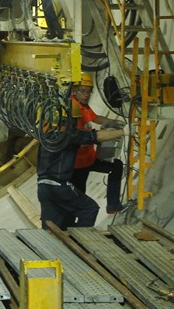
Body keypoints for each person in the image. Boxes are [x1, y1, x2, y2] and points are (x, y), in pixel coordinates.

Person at [36, 86, 125, 230]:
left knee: (52, 226)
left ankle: (53, 246)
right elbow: (96, 136)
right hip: (60, 186)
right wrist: (123, 132)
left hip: (43, 187)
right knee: (89, 209)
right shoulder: (70, 135)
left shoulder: (46, 134)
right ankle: (76, 241)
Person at [71, 74, 127, 214]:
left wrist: (115, 123)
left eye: (89, 91)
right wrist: (104, 135)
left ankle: (113, 205)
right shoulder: (73, 109)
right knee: (78, 197)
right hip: (76, 164)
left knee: (116, 166)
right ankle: (71, 226)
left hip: (89, 159)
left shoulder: (84, 107)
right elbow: (78, 139)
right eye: (82, 91)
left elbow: (95, 118)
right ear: (74, 91)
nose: (86, 95)